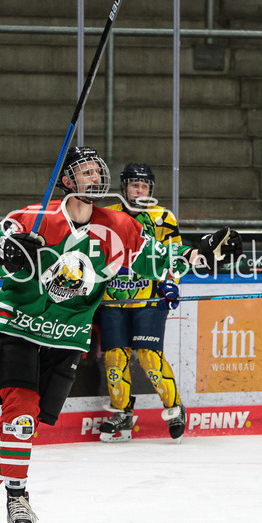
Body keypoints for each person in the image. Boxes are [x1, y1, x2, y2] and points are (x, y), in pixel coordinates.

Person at [0, 147, 242, 523]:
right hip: (18, 330)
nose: (94, 177)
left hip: (66, 339)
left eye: (97, 171)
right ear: (67, 180)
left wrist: (199, 254)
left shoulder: (120, 226)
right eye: (85, 171)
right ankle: (5, 499)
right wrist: (12, 254)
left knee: (25, 427)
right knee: (20, 420)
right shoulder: (31, 218)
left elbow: (156, 259)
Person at [99, 163, 186, 442]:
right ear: (124, 187)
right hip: (113, 300)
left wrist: (170, 282)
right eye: (135, 185)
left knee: (149, 356)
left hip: (149, 299)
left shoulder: (163, 218)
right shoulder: (107, 216)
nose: (140, 190)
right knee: (114, 358)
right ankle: (122, 412)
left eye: (144, 185)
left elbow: (175, 255)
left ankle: (175, 408)